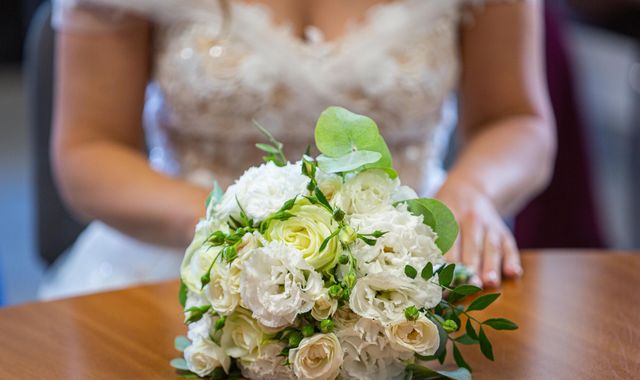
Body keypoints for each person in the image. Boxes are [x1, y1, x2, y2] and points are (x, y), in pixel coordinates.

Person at [40, 0, 555, 299]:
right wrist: (233, 229)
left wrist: (469, 191)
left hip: (409, 264)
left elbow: (517, 120)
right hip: (188, 263)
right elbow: (90, 148)